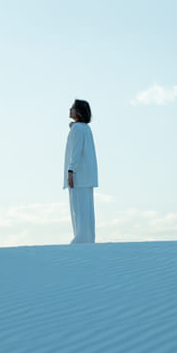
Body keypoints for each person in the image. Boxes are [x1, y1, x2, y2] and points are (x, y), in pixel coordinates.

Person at [63, 99, 98, 244]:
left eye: (72, 108)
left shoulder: (77, 128)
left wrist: (71, 171)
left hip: (79, 176)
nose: (69, 110)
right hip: (87, 176)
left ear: (78, 111)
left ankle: (80, 241)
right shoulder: (85, 128)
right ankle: (87, 240)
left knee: (78, 211)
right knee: (87, 212)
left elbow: (76, 152)